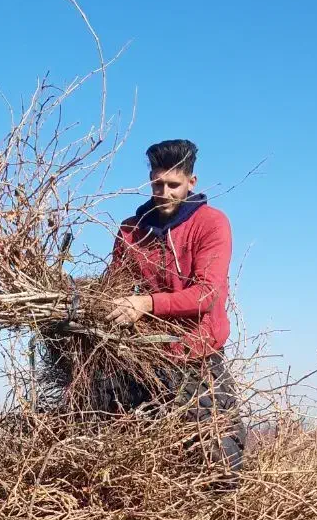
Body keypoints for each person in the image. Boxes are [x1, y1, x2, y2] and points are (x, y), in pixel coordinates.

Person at [103, 138, 245, 471]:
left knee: (220, 461)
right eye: (157, 184)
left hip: (199, 355)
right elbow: (114, 286)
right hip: (145, 358)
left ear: (191, 182)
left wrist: (146, 303)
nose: (164, 192)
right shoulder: (130, 231)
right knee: (134, 457)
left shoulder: (211, 223)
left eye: (173, 185)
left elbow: (206, 294)